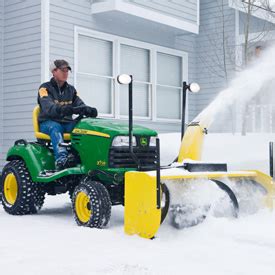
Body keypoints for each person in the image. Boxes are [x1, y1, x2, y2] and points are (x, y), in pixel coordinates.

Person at [37, 59, 97, 170]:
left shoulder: (71, 90)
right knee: (56, 127)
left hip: (66, 123)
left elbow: (79, 103)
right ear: (54, 71)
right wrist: (62, 109)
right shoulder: (44, 88)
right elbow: (48, 107)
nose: (65, 73)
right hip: (48, 123)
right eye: (62, 70)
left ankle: (85, 157)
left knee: (83, 127)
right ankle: (61, 160)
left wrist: (87, 109)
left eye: (67, 70)